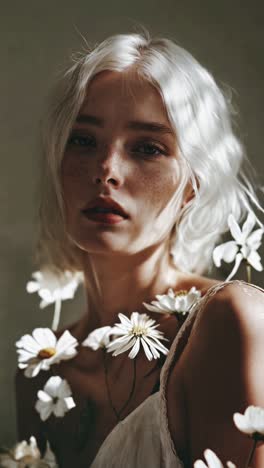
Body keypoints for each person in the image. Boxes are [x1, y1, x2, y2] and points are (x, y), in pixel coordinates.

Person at [16, 30, 264, 467]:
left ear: (193, 185)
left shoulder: (225, 322)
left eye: (148, 148)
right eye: (83, 140)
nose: (106, 170)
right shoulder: (40, 370)